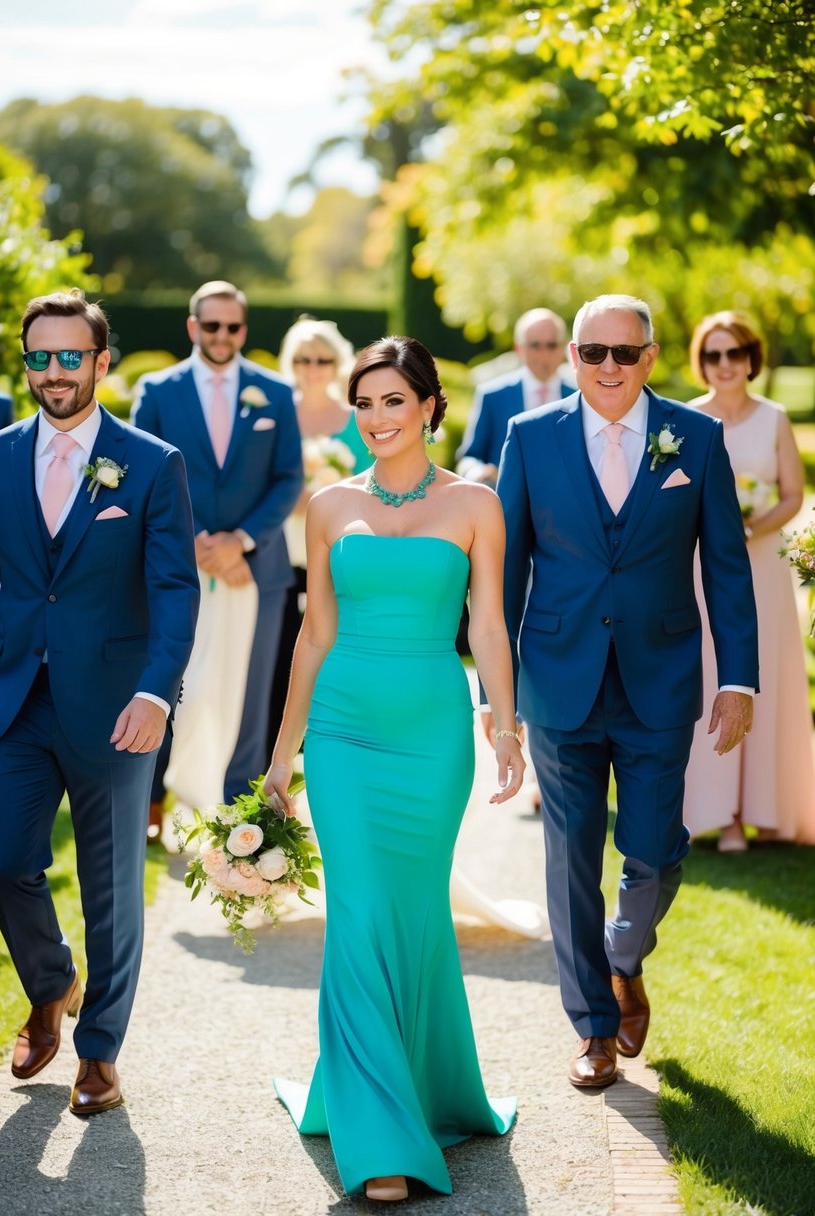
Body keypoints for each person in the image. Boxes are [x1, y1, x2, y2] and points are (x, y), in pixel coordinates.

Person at [265, 336, 522, 1202]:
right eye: (363, 404)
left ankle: (427, 1088)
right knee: (359, 911)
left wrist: (508, 727)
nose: (375, 419)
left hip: (431, 736)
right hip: (342, 733)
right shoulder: (328, 504)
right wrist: (281, 753)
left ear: (428, 407)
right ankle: (378, 1139)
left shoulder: (476, 503)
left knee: (412, 912)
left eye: (391, 403)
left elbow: (487, 627)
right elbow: (313, 632)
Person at [491, 294, 758, 1089]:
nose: (607, 367)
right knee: (568, 857)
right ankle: (593, 1029)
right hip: (556, 677)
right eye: (591, 352)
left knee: (654, 849)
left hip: (660, 675)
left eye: (624, 352)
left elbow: (726, 567)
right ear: (571, 356)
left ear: (648, 356)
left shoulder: (697, 438)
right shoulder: (527, 438)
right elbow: (502, 575)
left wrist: (737, 677)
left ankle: (623, 954)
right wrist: (495, 695)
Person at [0, 290, 199, 1115]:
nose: (53, 373)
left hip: (116, 705)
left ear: (101, 362)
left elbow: (175, 591)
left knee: (111, 887)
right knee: (1, 858)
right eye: (39, 357)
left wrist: (157, 691)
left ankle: (99, 1051)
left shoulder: (150, 462)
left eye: (69, 357)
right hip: (11, 698)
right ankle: (50, 985)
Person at [132, 281, 302, 827]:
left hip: (257, 569)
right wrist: (200, 540)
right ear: (192, 327)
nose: (222, 335)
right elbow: (144, 472)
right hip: (181, 566)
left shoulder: (274, 392)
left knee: (252, 701)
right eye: (211, 326)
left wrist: (240, 541)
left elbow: (287, 477)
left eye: (232, 327)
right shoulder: (157, 391)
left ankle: (241, 818)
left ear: (243, 331)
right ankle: (158, 802)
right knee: (178, 685)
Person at [682, 311, 815, 850]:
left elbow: (792, 494)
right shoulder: (684, 420)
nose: (724, 365)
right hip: (701, 573)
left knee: (770, 679)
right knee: (716, 677)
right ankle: (724, 813)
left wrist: (749, 526)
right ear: (702, 363)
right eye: (713, 355)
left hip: (763, 566)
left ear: (750, 358)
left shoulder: (775, 418)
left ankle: (770, 807)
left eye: (733, 353)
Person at [266, 316, 371, 760]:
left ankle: (332, 740)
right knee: (281, 651)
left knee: (335, 648)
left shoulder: (356, 417)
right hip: (280, 548)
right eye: (303, 358)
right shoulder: (275, 412)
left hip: (339, 551)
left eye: (322, 358)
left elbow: (372, 481)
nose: (313, 366)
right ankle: (278, 747)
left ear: (337, 362)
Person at [456, 307, 574, 487]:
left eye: (551, 345)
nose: (544, 354)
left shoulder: (578, 396)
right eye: (535, 345)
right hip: (505, 506)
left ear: (564, 347)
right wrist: (478, 473)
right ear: (519, 348)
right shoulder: (492, 396)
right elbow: (469, 457)